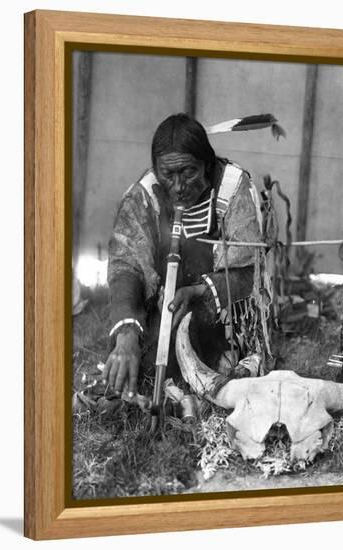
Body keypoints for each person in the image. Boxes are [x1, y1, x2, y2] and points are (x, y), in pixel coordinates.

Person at [103, 113, 262, 397]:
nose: (178, 187)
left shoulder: (232, 187)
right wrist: (127, 334)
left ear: (207, 163)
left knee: (196, 361)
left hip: (218, 308)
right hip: (162, 303)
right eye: (168, 175)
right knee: (143, 359)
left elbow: (250, 271)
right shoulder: (145, 194)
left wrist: (199, 291)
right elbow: (126, 265)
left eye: (188, 172)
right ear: (155, 168)